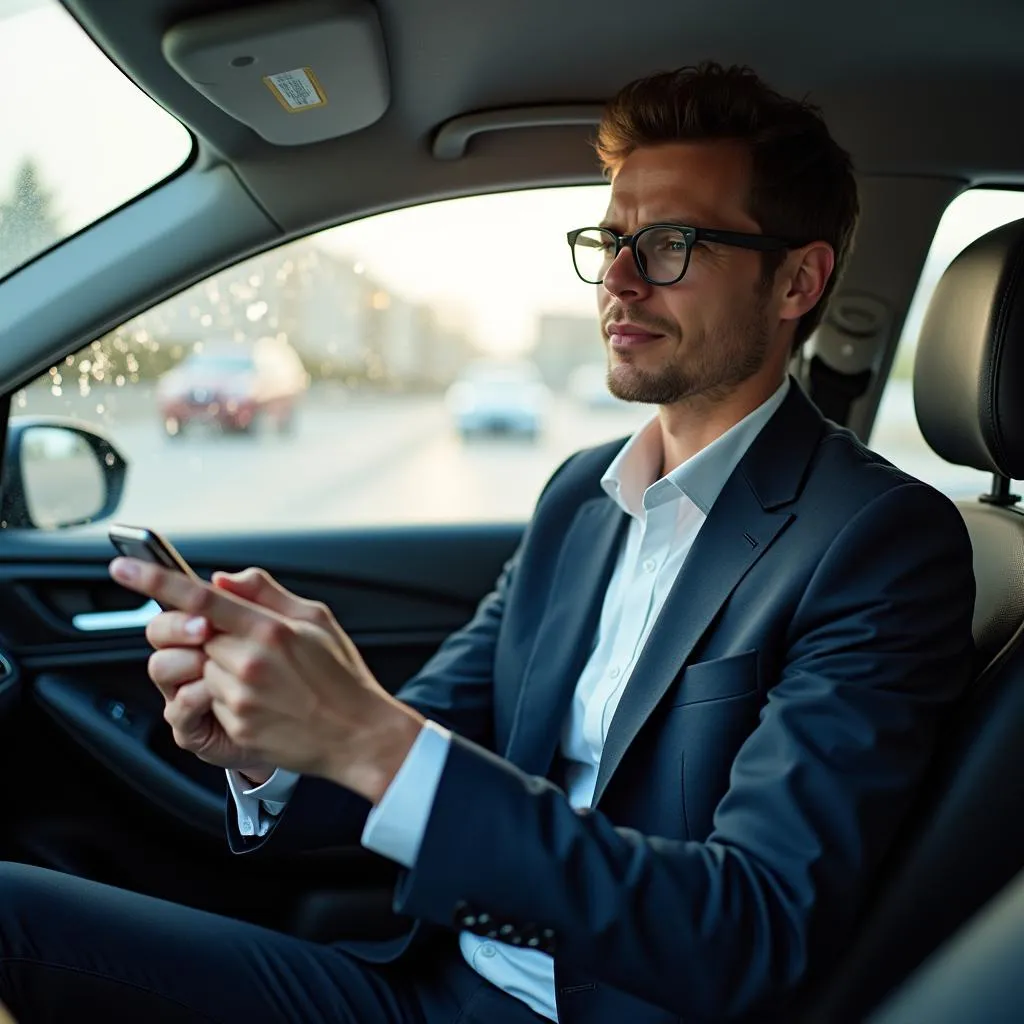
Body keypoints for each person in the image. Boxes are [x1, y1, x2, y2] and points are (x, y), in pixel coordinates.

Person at [0, 62, 976, 1024]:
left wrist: (367, 734)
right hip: (424, 978)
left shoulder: (877, 542)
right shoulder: (576, 500)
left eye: (669, 243)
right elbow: (434, 733)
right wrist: (274, 749)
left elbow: (748, 930)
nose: (621, 279)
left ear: (797, 279)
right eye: (611, 239)